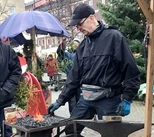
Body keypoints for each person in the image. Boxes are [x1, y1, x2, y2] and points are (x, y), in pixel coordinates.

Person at [47, 3, 141, 135]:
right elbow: (74, 77)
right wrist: (60, 100)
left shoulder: (114, 37)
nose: (78, 28)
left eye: (80, 24)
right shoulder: (83, 46)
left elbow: (131, 70)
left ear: (91, 18)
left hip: (109, 99)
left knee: (111, 134)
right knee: (71, 130)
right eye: (76, 26)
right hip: (86, 98)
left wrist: (127, 98)